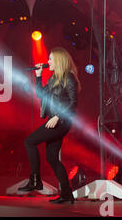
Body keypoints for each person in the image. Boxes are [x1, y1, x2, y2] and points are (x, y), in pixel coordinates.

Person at [19, 47, 81, 204]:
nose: (47, 62)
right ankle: (67, 194)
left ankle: (35, 180)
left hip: (61, 121)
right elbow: (41, 94)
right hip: (54, 120)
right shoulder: (54, 78)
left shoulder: (70, 78)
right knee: (52, 158)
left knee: (29, 141)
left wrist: (58, 116)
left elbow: (73, 104)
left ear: (59, 61)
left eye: (50, 59)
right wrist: (38, 77)